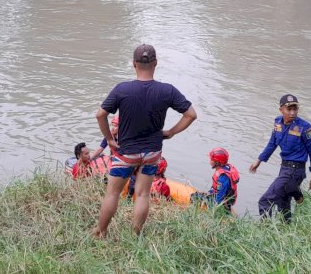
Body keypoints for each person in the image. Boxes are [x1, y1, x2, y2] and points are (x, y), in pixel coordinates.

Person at [93, 44, 197, 237]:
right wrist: (171, 132)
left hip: (126, 152)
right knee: (142, 194)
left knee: (113, 193)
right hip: (152, 153)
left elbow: (100, 115)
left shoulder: (122, 89)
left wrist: (109, 139)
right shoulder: (167, 90)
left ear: (134, 64)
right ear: (155, 63)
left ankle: (101, 232)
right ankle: (136, 235)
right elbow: (191, 115)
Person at [249, 94, 311, 222]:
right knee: (283, 202)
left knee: (265, 201)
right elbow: (272, 143)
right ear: (281, 109)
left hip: (295, 170)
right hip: (284, 168)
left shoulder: (305, 127)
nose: (292, 113)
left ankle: (266, 230)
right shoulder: (278, 123)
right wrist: (259, 160)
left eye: (295, 109)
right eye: (289, 109)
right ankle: (286, 228)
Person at [193, 148, 240, 213]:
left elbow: (219, 197)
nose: (210, 161)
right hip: (225, 199)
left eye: (211, 159)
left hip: (222, 202)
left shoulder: (223, 178)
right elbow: (218, 189)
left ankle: (225, 211)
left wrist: (211, 206)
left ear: (217, 162)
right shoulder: (225, 168)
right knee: (202, 194)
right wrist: (209, 192)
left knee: (194, 197)